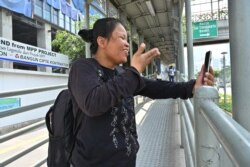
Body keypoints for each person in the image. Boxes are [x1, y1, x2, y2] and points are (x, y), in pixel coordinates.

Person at [68, 17, 214, 167]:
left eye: (127, 39)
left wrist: (191, 87)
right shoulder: (82, 68)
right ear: (102, 42)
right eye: (122, 38)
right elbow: (93, 103)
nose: (127, 44)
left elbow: (155, 87)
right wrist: (134, 71)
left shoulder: (121, 73)